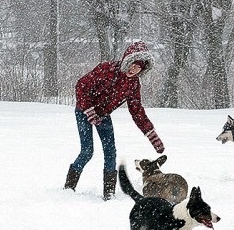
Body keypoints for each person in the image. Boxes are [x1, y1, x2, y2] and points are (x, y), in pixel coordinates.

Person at [64, 40, 165, 200]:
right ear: (127, 60)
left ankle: (109, 193)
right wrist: (89, 111)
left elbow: (137, 112)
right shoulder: (107, 69)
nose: (134, 69)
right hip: (84, 110)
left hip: (103, 115)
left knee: (110, 152)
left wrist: (152, 135)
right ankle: (69, 187)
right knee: (87, 151)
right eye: (133, 64)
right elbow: (81, 86)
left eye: (139, 67)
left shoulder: (133, 85)